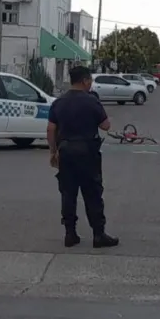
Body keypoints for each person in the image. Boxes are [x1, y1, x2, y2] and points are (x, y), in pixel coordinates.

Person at [47, 65, 120, 248]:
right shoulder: (91, 101)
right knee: (93, 194)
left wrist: (53, 151)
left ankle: (70, 234)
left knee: (68, 194)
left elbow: (51, 129)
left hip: (66, 152)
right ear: (85, 80)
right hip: (88, 153)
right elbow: (105, 126)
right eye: (90, 81)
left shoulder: (59, 102)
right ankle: (98, 234)